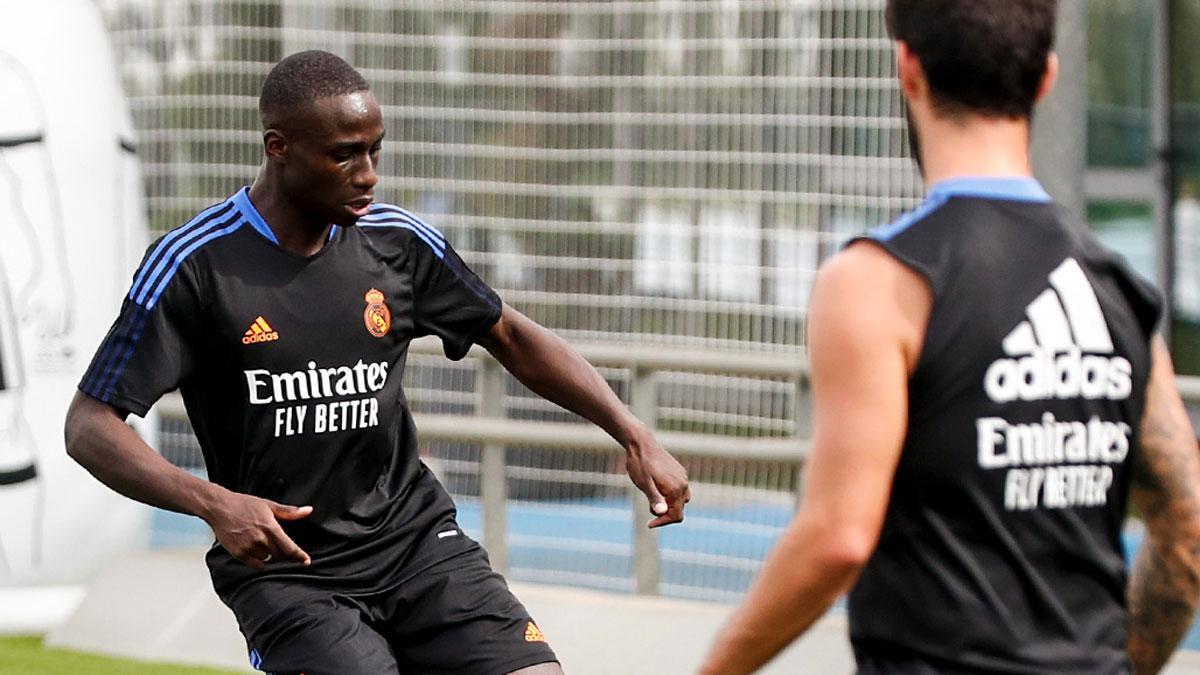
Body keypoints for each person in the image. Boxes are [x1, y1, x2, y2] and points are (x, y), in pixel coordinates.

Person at [64, 50, 689, 675]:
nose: (367, 175)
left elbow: (511, 335)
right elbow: (89, 425)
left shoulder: (397, 242)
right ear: (278, 148)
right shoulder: (195, 264)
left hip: (416, 542)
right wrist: (213, 502)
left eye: (374, 151)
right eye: (344, 155)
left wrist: (634, 433)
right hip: (290, 571)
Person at [701, 1, 1200, 673]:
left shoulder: (880, 281)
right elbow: (1187, 525)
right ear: (1046, 78)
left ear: (908, 68)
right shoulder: (1116, 288)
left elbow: (837, 538)